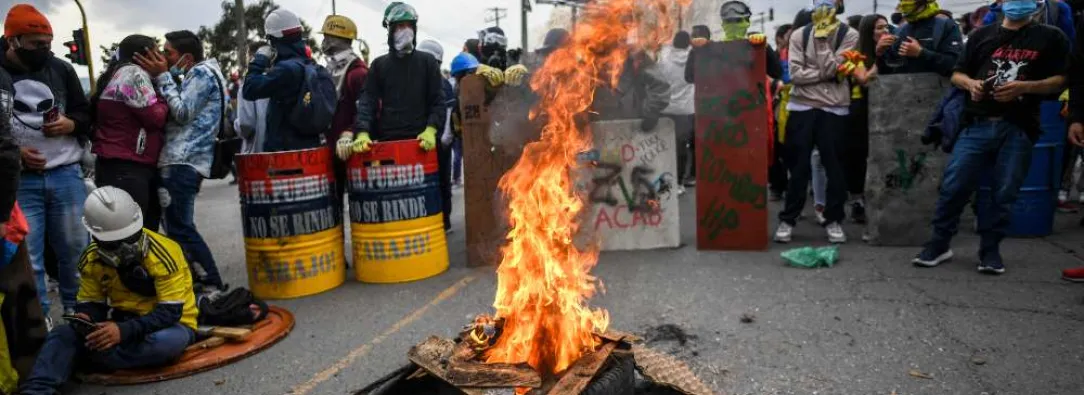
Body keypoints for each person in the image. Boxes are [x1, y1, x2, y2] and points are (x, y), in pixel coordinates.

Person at [913, 0, 1069, 275]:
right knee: (954, 185)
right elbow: (957, 74)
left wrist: (1025, 87)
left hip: (1019, 126)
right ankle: (939, 244)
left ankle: (990, 250)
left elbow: (1061, 79)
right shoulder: (981, 35)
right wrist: (971, 84)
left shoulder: (1050, 36)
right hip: (976, 123)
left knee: (1004, 192)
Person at [17, 187, 198, 395]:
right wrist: (86, 317)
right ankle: (37, 390)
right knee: (63, 333)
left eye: (129, 238)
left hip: (172, 325)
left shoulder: (166, 251)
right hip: (120, 325)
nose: (124, 248)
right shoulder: (91, 259)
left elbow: (170, 312)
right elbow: (92, 303)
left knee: (166, 343)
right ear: (96, 235)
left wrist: (123, 331)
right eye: (114, 243)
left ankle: (84, 357)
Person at [2, 4, 92, 318]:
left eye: (48, 44)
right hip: (20, 183)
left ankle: (80, 315)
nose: (44, 51)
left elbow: (85, 113)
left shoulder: (62, 69)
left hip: (66, 174)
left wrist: (72, 124)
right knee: (30, 260)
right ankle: (41, 327)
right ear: (12, 41)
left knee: (76, 252)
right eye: (36, 44)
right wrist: (14, 155)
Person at [132, 30, 227, 290]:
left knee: (180, 227)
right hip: (185, 161)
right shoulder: (206, 73)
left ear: (186, 58)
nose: (163, 57)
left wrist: (163, 77)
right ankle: (200, 280)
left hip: (181, 160)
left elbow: (183, 112)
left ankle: (211, 283)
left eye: (168, 53)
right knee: (176, 226)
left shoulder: (201, 74)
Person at [775, 0, 860, 244]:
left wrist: (823, 41)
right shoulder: (799, 34)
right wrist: (828, 74)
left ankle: (833, 220)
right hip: (802, 107)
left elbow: (838, 68)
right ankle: (788, 219)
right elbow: (796, 75)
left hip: (835, 109)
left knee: (834, 168)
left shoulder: (849, 34)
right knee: (798, 167)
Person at [89, 35, 168, 232]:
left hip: (117, 166)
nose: (161, 58)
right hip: (129, 168)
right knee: (136, 233)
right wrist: (164, 98)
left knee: (124, 232)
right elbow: (155, 118)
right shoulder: (133, 74)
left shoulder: (117, 73)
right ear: (144, 56)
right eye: (156, 53)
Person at [350, 2, 446, 157]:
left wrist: (431, 129)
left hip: (422, 143)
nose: (405, 31)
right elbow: (367, 102)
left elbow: (438, 101)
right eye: (400, 26)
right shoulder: (379, 65)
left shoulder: (427, 62)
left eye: (409, 26)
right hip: (387, 142)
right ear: (390, 30)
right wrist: (362, 132)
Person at [242, 8, 324, 152]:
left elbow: (249, 89)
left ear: (274, 39)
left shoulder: (285, 70)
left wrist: (259, 60)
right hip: (310, 148)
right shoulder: (311, 66)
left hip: (284, 152)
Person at [845, 14, 891, 226]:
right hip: (861, 111)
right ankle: (858, 201)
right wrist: (880, 56)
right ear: (868, 32)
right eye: (879, 28)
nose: (885, 31)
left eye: (886, 27)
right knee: (858, 156)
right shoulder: (854, 55)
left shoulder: (895, 50)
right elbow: (864, 79)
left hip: (888, 110)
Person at [323, 15, 370, 200]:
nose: (324, 41)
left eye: (327, 36)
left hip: (354, 150)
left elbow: (370, 109)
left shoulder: (357, 73)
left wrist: (351, 131)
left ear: (338, 39)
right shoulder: (330, 70)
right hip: (332, 150)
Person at [417, 39, 455, 233]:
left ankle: (445, 220)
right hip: (424, 140)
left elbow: (448, 109)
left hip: (441, 140)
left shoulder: (443, 83)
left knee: (442, 181)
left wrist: (446, 134)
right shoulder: (418, 81)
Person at [878, 0, 964, 76]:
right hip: (904, 91)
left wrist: (921, 53)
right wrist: (880, 53)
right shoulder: (900, 31)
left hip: (939, 91)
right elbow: (888, 71)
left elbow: (954, 64)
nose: (905, 3)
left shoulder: (946, 26)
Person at [659, 31, 696, 193]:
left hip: (666, 108)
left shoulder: (664, 57)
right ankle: (680, 183)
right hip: (686, 110)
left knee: (665, 147)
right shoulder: (692, 58)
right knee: (681, 148)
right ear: (688, 43)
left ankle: (665, 181)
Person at [234, 42, 270, 155]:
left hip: (257, 152)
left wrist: (236, 124)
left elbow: (246, 125)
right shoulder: (278, 78)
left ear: (252, 57)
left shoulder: (248, 85)